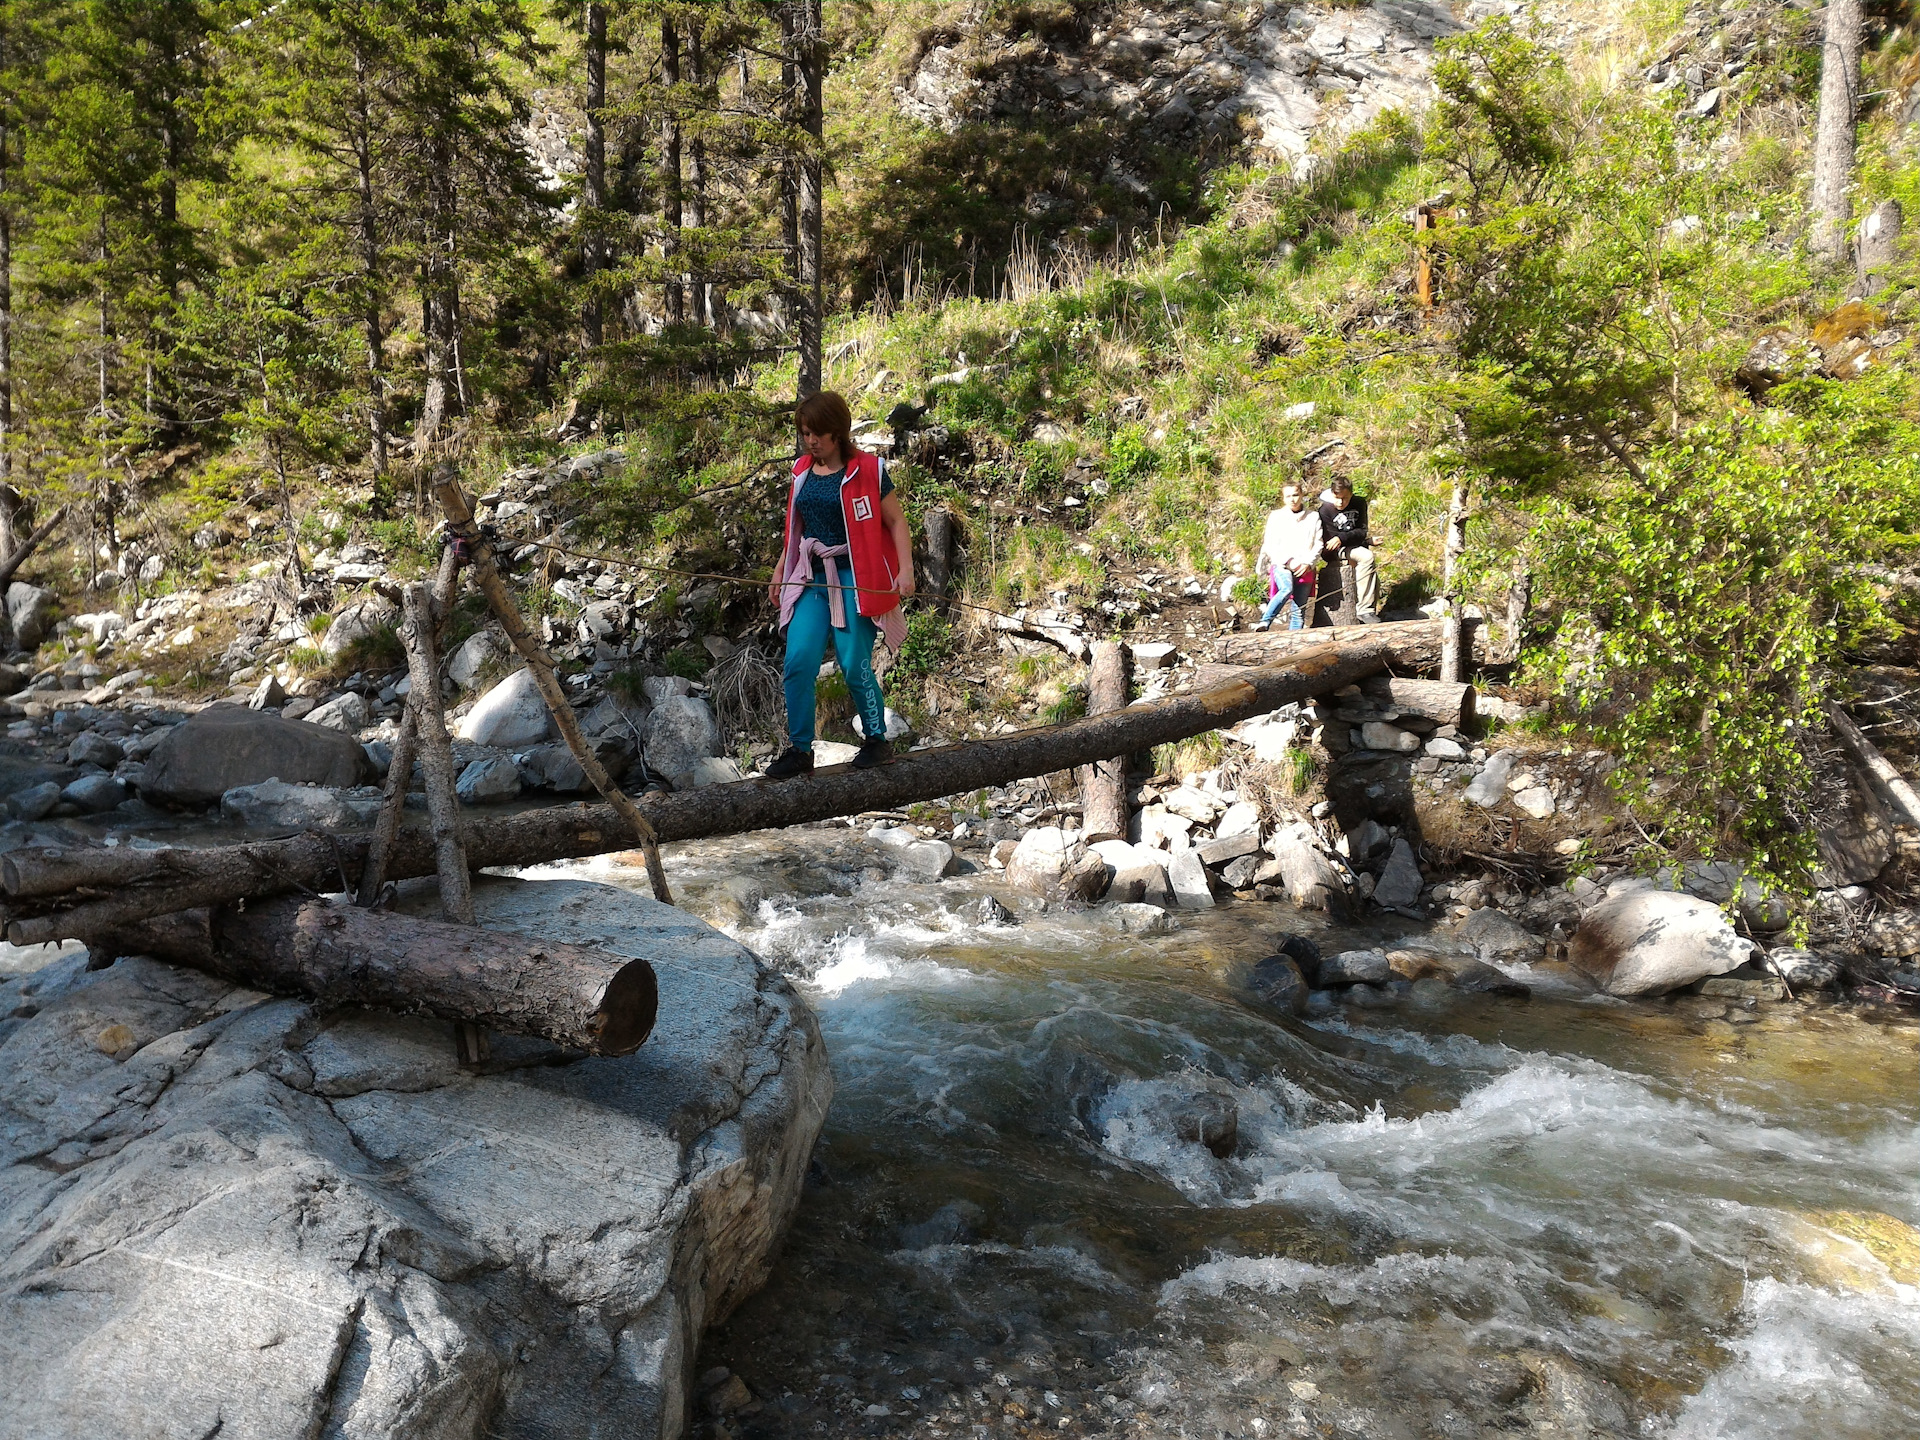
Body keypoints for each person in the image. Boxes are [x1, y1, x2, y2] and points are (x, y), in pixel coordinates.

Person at [765, 391, 915, 778]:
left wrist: (906, 569)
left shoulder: (868, 470)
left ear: (838, 431)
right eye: (805, 433)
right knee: (798, 661)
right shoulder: (801, 472)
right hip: (812, 575)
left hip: (856, 577)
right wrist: (781, 569)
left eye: (817, 433)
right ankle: (800, 749)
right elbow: (795, 530)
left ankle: (877, 740)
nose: (811, 441)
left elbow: (896, 522)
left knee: (852, 662)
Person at [1253, 483, 1321, 631]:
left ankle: (1293, 642)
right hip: (1282, 564)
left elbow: (1318, 544)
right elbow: (1269, 543)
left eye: (1295, 495)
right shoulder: (1276, 517)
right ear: (1283, 498)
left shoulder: (1313, 517)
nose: (1293, 499)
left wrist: (1308, 563)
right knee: (1286, 589)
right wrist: (1288, 561)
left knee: (1299, 610)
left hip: (1305, 567)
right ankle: (1265, 621)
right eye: (1288, 496)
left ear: (1302, 495)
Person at [1318, 476, 1380, 622]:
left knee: (1372, 574)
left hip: (1353, 544)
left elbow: (1362, 530)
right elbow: (1331, 541)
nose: (1340, 502)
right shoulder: (1325, 510)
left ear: (1351, 494)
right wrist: (1343, 539)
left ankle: (1370, 610)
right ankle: (1365, 610)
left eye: (1345, 498)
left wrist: (1343, 538)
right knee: (1367, 557)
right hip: (1334, 552)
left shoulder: (1359, 503)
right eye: (1337, 497)